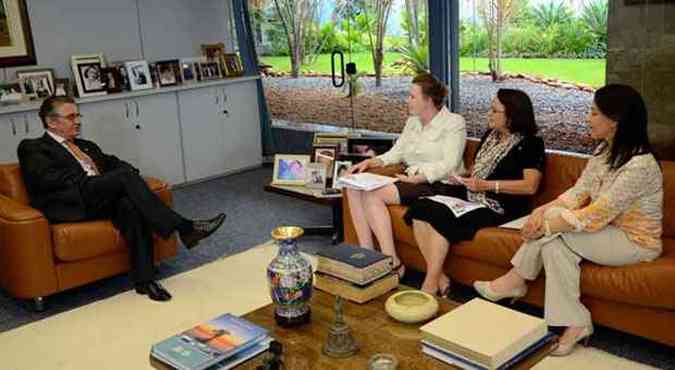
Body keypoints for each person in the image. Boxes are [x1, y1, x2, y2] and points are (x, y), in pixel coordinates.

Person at [474, 84, 663, 356]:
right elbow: (578, 192)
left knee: (555, 231)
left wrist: (545, 226)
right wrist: (540, 213)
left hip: (634, 242)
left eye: (595, 113)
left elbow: (597, 214)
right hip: (605, 231)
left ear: (616, 121)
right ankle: (576, 323)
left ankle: (516, 277)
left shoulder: (640, 165)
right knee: (554, 244)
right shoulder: (604, 152)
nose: (588, 118)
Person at [18, 97, 226, 302]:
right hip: (69, 202)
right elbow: (47, 180)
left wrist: (122, 178)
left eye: (78, 115)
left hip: (97, 199)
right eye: (71, 117)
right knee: (124, 178)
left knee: (130, 205)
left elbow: (115, 163)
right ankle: (185, 227)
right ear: (51, 122)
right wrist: (108, 180)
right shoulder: (33, 148)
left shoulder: (85, 145)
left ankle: (145, 281)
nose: (78, 121)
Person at [405, 89, 545, 296]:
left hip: (501, 206)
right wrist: (461, 176)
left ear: (511, 116)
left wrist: (487, 186)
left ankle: (429, 283)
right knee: (420, 207)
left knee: (439, 215)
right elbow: (476, 169)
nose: (489, 113)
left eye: (495, 110)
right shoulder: (491, 135)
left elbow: (530, 185)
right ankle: (440, 278)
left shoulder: (531, 143)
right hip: (472, 195)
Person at [345, 72, 466, 278]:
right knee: (352, 185)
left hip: (439, 183)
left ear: (428, 100)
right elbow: (397, 152)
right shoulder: (413, 122)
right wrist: (371, 161)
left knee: (373, 194)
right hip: (410, 180)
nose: (407, 100)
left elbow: (449, 164)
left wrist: (418, 177)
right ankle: (367, 256)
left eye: (412, 96)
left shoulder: (454, 122)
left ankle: (393, 263)